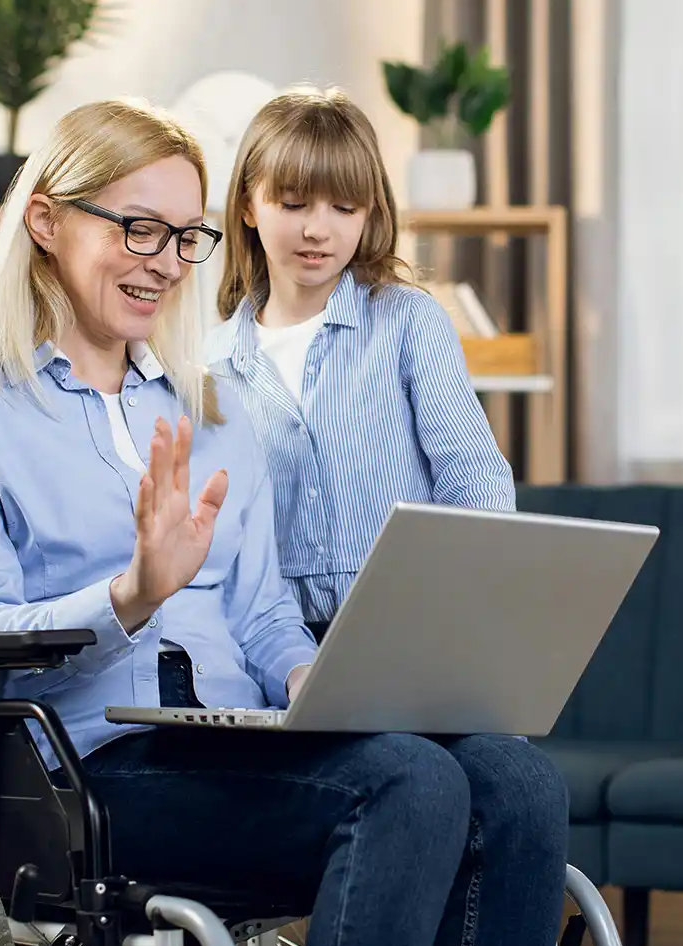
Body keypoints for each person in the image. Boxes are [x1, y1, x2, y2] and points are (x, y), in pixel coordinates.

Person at [0, 98, 568, 946]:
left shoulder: (206, 407)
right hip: (85, 773)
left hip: (238, 737)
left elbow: (263, 614)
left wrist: (311, 678)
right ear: (44, 220)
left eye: (184, 237)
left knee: (518, 784)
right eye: (138, 227)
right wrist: (132, 596)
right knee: (409, 784)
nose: (166, 262)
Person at [208, 85, 516, 644]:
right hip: (276, 644)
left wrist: (469, 605)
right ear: (248, 206)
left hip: (415, 622)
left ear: (370, 211)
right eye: (293, 204)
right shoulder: (212, 365)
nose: (318, 230)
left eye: (344, 208)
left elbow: (472, 476)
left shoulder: (407, 321)